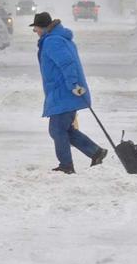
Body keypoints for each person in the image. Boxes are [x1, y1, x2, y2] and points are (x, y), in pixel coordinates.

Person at [31, 12, 107, 174]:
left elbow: (67, 64)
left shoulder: (53, 42)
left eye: (35, 28)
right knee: (64, 129)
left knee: (57, 130)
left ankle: (67, 165)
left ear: (42, 28)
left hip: (65, 91)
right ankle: (95, 152)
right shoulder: (57, 39)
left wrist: (74, 85)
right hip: (63, 92)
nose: (35, 32)